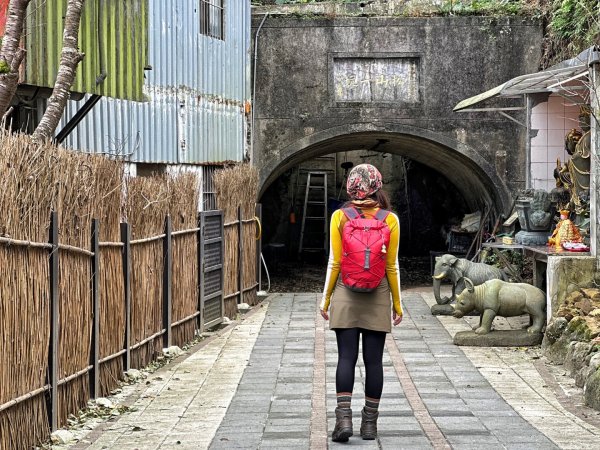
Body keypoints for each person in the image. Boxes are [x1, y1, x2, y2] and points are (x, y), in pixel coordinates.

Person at [319, 163, 403, 442]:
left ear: (350, 187)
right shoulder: (390, 219)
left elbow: (334, 261)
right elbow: (392, 267)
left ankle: (344, 420)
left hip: (346, 290)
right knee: (374, 361)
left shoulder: (340, 217)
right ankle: (370, 424)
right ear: (378, 187)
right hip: (378, 292)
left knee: (346, 357)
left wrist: (326, 298)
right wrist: (397, 305)